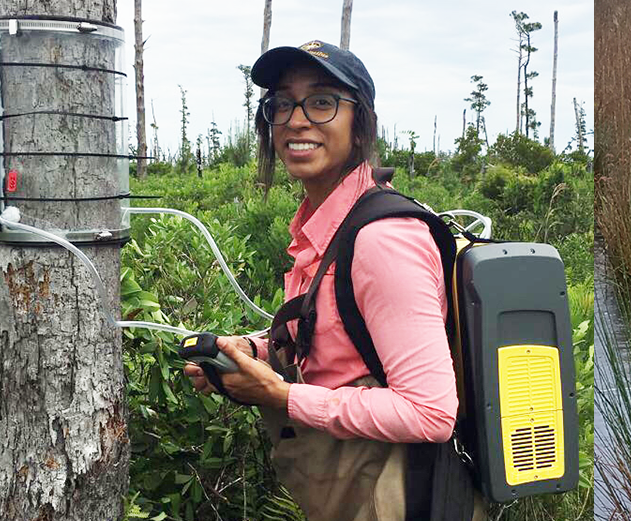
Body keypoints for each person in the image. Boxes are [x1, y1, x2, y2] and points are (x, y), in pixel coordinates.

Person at [183, 40, 484, 521]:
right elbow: (333, 339)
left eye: (322, 102)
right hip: (352, 487)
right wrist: (252, 352)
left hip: (401, 494)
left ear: (359, 123)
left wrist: (281, 396)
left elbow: (430, 413)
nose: (296, 119)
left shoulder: (382, 241)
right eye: (281, 103)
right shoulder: (325, 227)